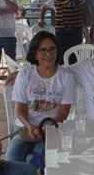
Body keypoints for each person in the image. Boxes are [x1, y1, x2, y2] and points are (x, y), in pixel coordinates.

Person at [6, 31, 76, 162]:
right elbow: (20, 109)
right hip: (26, 130)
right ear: (35, 53)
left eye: (52, 49)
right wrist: (29, 126)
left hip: (51, 130)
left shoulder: (66, 76)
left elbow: (64, 112)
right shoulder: (25, 74)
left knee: (42, 158)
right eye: (42, 50)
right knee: (12, 158)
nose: (48, 54)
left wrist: (47, 127)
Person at [45, 0, 86, 64]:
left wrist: (85, 31)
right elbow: (73, 3)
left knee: (75, 62)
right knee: (66, 61)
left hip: (76, 31)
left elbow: (80, 11)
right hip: (66, 33)